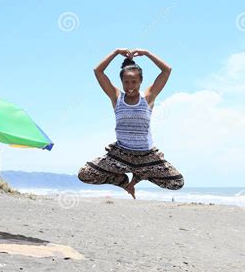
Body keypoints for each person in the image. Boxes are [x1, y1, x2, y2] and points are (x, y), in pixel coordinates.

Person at [78, 48, 184, 199]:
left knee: (176, 182)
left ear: (141, 81)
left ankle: (141, 174)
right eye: (126, 82)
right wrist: (115, 52)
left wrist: (147, 53)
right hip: (120, 154)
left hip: (146, 156)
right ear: (121, 82)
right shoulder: (116, 97)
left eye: (134, 81)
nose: (130, 86)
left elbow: (166, 70)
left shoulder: (148, 97)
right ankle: (123, 182)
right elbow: (98, 71)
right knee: (85, 174)